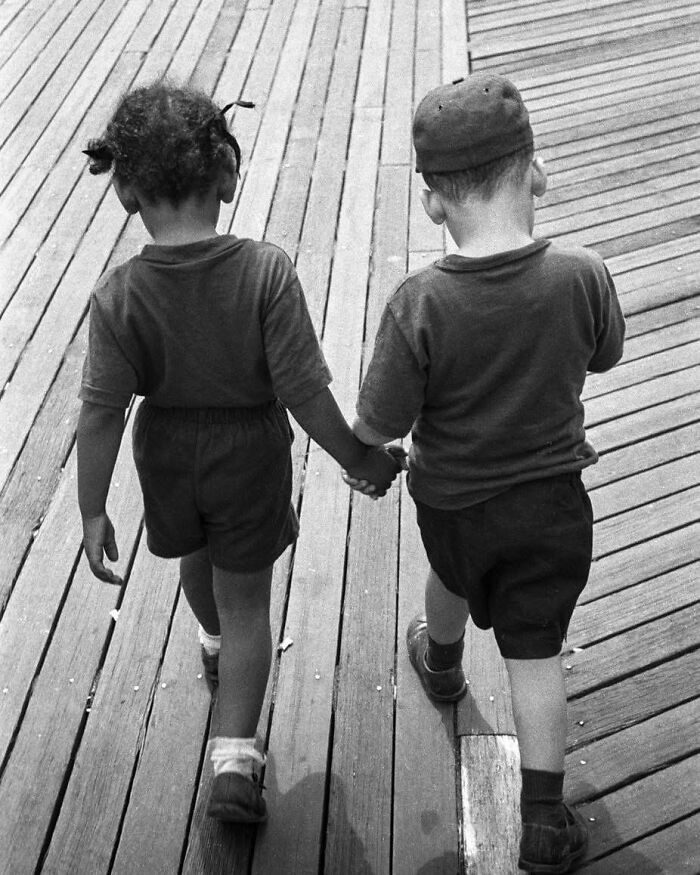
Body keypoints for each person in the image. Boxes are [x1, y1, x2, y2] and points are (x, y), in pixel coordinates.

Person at [77, 81, 400, 825]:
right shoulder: (265, 273)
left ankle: (215, 644)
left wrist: (93, 508)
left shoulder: (118, 295)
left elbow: (99, 414)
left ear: (125, 191)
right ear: (225, 171)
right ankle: (233, 762)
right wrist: (361, 455)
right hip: (247, 453)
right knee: (250, 599)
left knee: (198, 559)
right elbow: (306, 394)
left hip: (165, 452)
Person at [345, 73, 625, 873]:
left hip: (455, 509)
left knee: (453, 574)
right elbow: (607, 353)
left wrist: (366, 456)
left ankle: (439, 659)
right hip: (551, 512)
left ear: (433, 202)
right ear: (535, 169)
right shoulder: (581, 272)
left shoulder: (418, 302)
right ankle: (541, 820)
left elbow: (378, 421)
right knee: (534, 657)